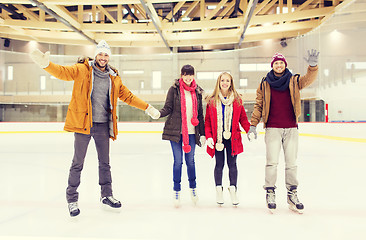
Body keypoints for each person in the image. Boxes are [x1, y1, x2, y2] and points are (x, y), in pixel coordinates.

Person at [29, 40, 160, 217]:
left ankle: (106, 195)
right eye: (100, 54)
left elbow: (128, 96)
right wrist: (46, 64)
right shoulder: (82, 69)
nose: (103, 58)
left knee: (105, 163)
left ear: (109, 57)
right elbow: (63, 72)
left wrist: (147, 107)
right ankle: (72, 199)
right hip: (84, 125)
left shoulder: (114, 77)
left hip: (103, 126)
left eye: (106, 55)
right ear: (96, 55)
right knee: (77, 163)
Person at [247, 49, 319, 214]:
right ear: (272, 65)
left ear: (285, 65)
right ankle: (270, 192)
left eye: (281, 63)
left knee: (291, 163)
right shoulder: (265, 83)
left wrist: (312, 66)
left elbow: (308, 79)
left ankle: (292, 194)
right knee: (272, 163)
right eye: (276, 63)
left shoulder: (293, 80)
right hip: (272, 127)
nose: (279, 65)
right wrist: (253, 124)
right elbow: (258, 105)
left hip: (291, 127)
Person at [158, 65, 205, 207]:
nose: (188, 77)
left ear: (194, 75)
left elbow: (200, 114)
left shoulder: (197, 91)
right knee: (178, 162)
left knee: (190, 161)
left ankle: (193, 188)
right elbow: (168, 108)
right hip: (176, 133)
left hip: (191, 133)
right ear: (181, 75)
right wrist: (159, 113)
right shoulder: (174, 90)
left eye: (190, 75)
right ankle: (176, 190)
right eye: (185, 75)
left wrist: (202, 133)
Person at [205, 72, 250, 206]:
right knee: (219, 165)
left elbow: (243, 119)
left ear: (231, 83)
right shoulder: (212, 101)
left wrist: (249, 130)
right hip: (217, 139)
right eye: (222, 80)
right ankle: (219, 189)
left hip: (232, 138)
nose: (225, 83)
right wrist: (208, 137)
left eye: (228, 81)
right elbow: (207, 121)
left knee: (232, 164)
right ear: (219, 82)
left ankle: (233, 189)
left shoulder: (237, 100)